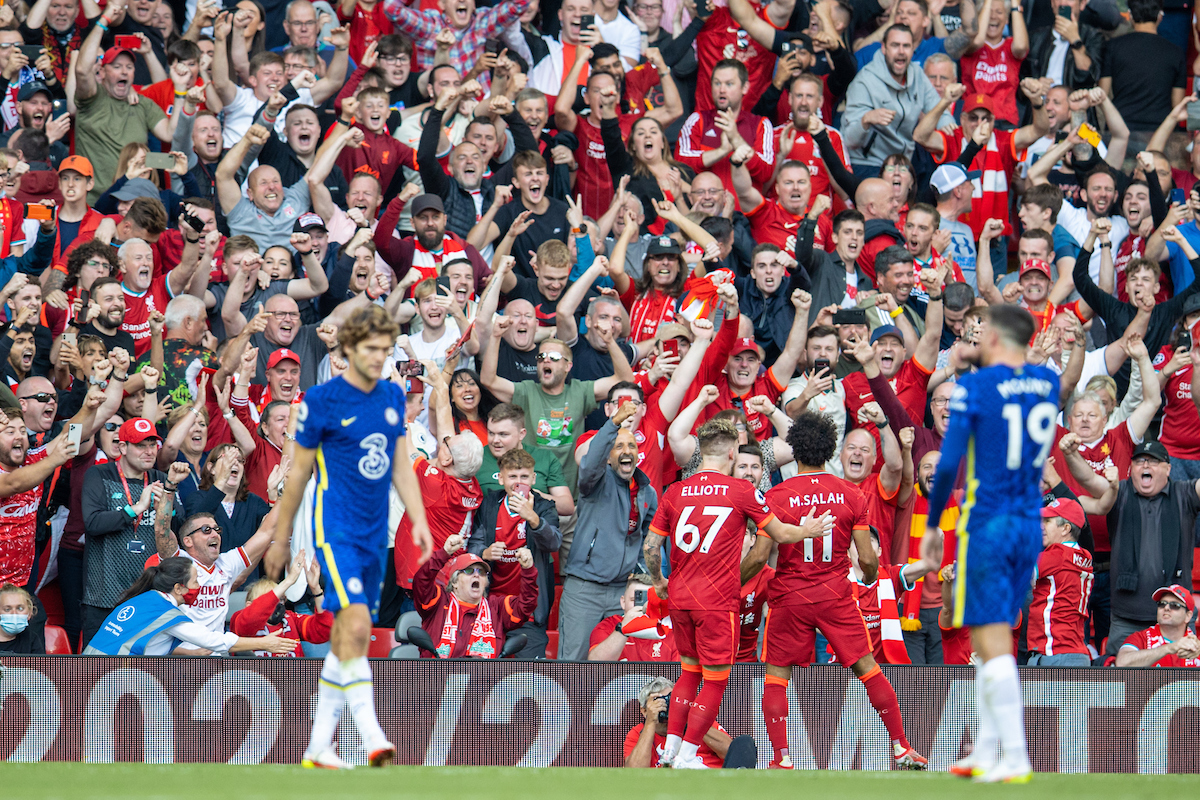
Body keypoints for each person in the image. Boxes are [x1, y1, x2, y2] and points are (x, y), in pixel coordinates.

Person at [265, 305, 432, 770]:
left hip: (375, 533)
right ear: (350, 350)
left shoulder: (392, 397)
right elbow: (297, 475)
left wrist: (417, 519)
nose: (381, 357)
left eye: (387, 349)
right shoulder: (319, 401)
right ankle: (372, 735)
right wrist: (281, 539)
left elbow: (400, 463)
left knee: (347, 636)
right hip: (334, 527)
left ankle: (319, 745)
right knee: (356, 626)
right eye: (373, 349)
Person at [922, 304, 1060, 783]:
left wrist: (935, 525)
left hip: (988, 521)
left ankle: (1016, 755)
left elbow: (948, 464)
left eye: (982, 334)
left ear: (997, 339)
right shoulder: (1048, 384)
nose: (975, 340)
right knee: (987, 638)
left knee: (992, 638)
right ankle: (984, 751)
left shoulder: (976, 387)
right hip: (1029, 523)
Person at [748, 411, 927, 769]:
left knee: (777, 674)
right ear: (831, 450)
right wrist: (873, 573)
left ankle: (782, 758)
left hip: (790, 597)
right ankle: (901, 747)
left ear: (795, 448)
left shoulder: (778, 495)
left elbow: (759, 556)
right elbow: (866, 559)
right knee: (868, 667)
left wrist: (733, 581)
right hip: (835, 594)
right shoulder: (851, 494)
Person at [643, 418, 825, 769]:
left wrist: (658, 581)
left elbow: (652, 544)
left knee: (688, 672)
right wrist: (808, 529)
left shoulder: (676, 490)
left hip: (680, 597)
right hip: (716, 600)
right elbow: (780, 535)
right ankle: (689, 755)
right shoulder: (740, 490)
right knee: (714, 680)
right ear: (731, 452)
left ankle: (670, 751)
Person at [556, 401, 657, 660]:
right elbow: (590, 464)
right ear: (609, 457)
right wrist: (612, 425)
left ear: (639, 453)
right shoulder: (595, 481)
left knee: (626, 662)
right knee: (573, 667)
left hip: (622, 591)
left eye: (632, 445)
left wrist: (643, 579)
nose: (626, 451)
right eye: (618, 446)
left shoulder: (648, 492)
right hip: (584, 589)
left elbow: (647, 542)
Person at [82, 557, 298, 656]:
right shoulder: (166, 613)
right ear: (178, 588)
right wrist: (265, 643)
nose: (200, 586)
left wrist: (184, 652)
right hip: (109, 678)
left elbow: (147, 643)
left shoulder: (144, 599)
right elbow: (217, 641)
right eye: (195, 581)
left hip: (90, 670)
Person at [466, 447, 561, 659]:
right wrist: (486, 553)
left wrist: (533, 517)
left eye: (524, 476)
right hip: (491, 608)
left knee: (528, 679)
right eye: (512, 476)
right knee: (483, 676)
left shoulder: (545, 506)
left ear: (534, 478)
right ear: (500, 478)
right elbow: (473, 547)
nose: (519, 482)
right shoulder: (490, 505)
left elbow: (554, 542)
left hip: (529, 613)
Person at [412, 533, 538, 657]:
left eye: (482, 572)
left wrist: (528, 570)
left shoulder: (497, 608)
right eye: (469, 571)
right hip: (436, 675)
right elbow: (422, 581)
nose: (476, 575)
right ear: (455, 582)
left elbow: (526, 605)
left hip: (484, 677)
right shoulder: (438, 601)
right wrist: (444, 553)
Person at [842, 25, 945, 175]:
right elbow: (850, 140)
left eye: (906, 46)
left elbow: (937, 108)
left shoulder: (917, 74)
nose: (901, 51)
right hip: (868, 164)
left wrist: (951, 129)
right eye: (895, 45)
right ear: (884, 48)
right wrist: (865, 120)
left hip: (904, 162)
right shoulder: (864, 82)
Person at [1026, 496, 1095, 666]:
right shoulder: (1085, 556)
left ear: (1065, 528)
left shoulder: (1057, 554)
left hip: (1054, 653)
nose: (1041, 526)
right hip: (1077, 653)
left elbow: (1018, 574)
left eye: (1048, 521)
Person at [230, 551, 334, 657]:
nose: (277, 603)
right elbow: (252, 616)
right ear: (249, 605)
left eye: (281, 599)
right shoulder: (239, 619)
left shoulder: (290, 618)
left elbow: (324, 629)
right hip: (254, 673)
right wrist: (288, 581)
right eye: (271, 599)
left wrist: (316, 589)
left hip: (293, 673)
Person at [623, 676, 733, 768]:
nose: (667, 705)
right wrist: (651, 721)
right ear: (645, 710)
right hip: (672, 788)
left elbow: (732, 754)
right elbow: (634, 771)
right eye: (660, 701)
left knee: (745, 742)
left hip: (711, 784)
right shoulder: (638, 733)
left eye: (671, 699)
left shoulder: (700, 722)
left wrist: (687, 717)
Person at [588, 572, 678, 661]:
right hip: (619, 675)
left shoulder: (669, 629)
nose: (642, 606)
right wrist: (623, 630)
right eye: (634, 600)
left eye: (648, 600)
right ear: (623, 602)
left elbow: (679, 672)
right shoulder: (608, 625)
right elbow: (596, 665)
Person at [1115, 584, 1200, 667]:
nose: (1166, 608)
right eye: (1162, 604)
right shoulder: (1141, 637)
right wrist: (1169, 648)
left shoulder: (1197, 644)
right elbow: (1122, 663)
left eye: (1174, 605)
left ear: (1188, 616)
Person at [0, 583, 45, 654]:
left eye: (20, 608)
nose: (14, 613)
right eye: (7, 609)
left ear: (29, 613)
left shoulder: (32, 639)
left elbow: (40, 664)